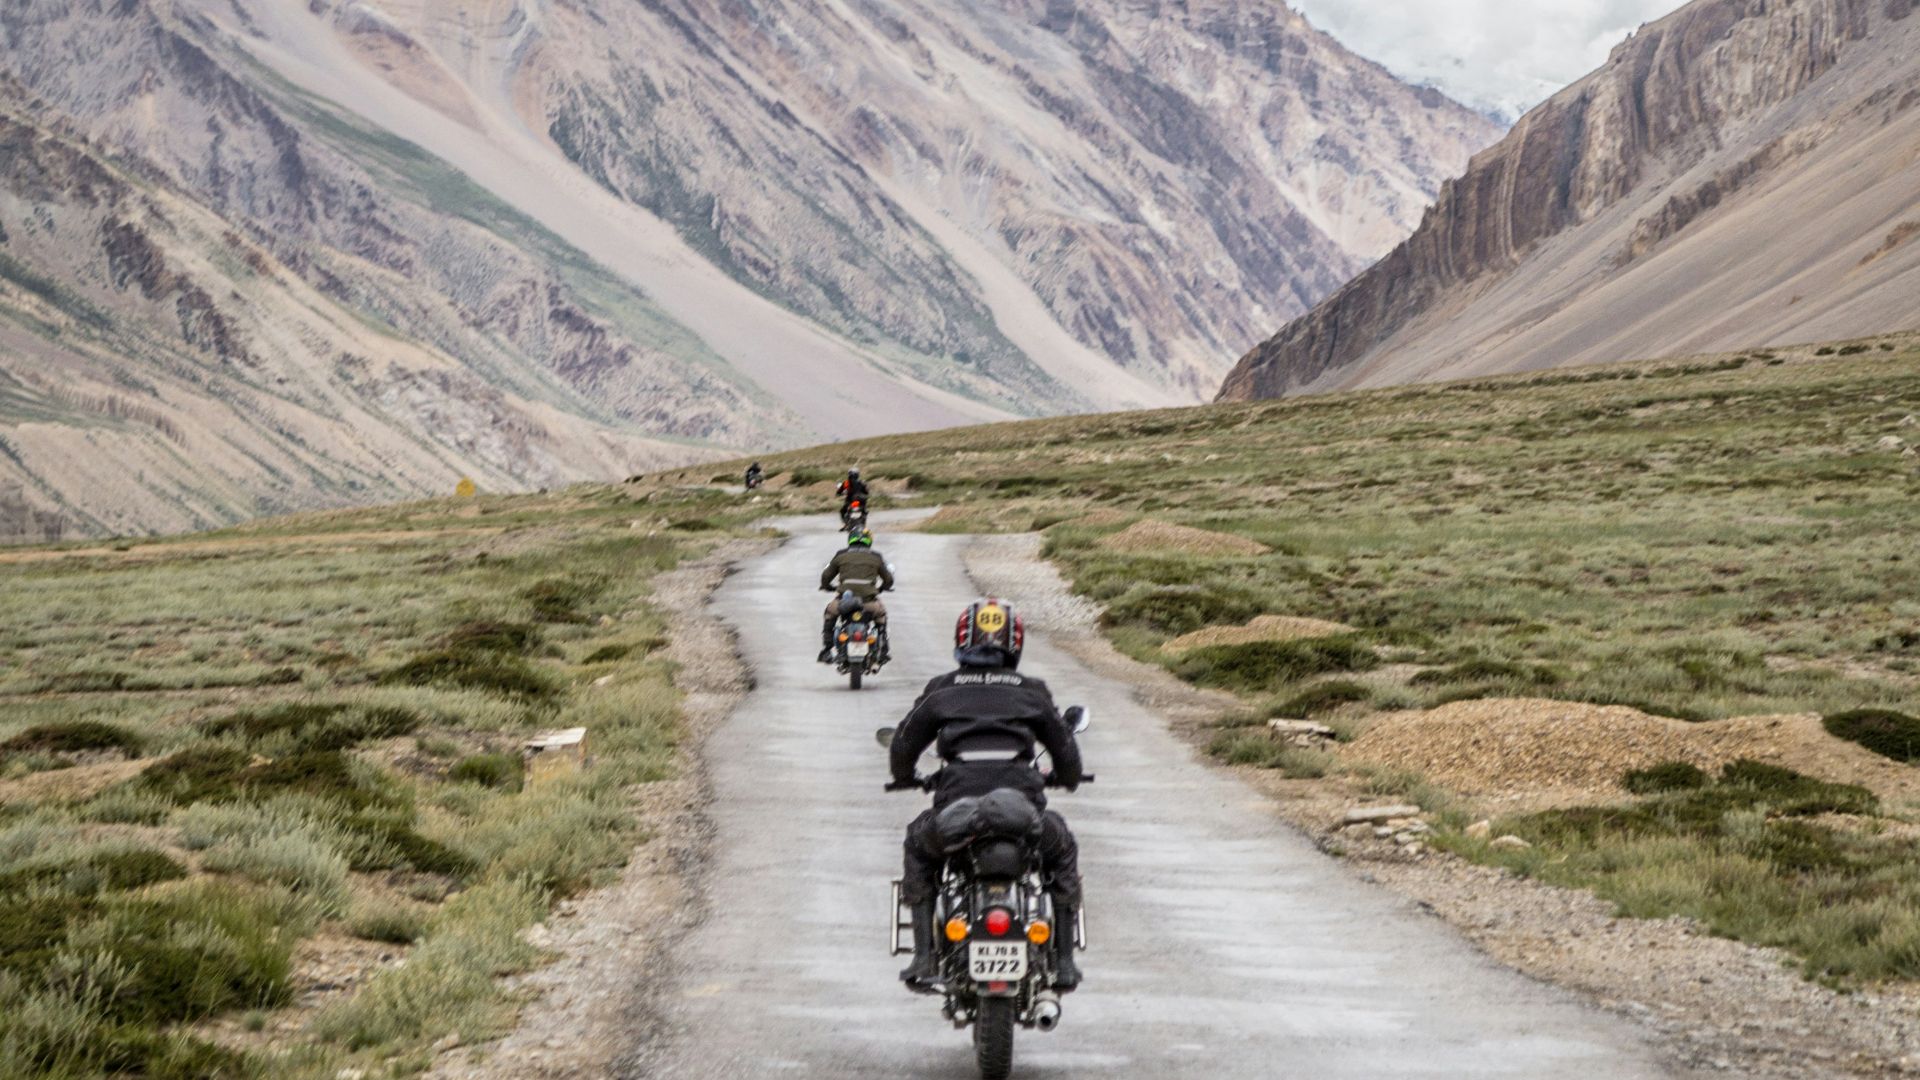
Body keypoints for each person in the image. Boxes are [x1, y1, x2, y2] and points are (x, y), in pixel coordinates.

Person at [888, 598, 1083, 993]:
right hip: (1023, 815)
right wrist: (1064, 776)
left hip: (955, 816)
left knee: (918, 845)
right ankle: (1063, 961)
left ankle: (924, 955)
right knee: (1061, 848)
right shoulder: (1032, 691)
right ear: (1015, 643)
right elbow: (1067, 755)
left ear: (962, 639)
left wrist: (907, 776)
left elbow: (903, 746)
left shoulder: (941, 690)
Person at [819, 529, 894, 663]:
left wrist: (826, 586)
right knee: (881, 618)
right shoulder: (876, 557)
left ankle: (827, 650)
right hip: (869, 603)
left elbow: (826, 576)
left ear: (850, 539)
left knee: (829, 614)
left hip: (844, 602)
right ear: (869, 540)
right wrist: (883, 587)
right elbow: (888, 579)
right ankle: (883, 651)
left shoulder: (841, 555)